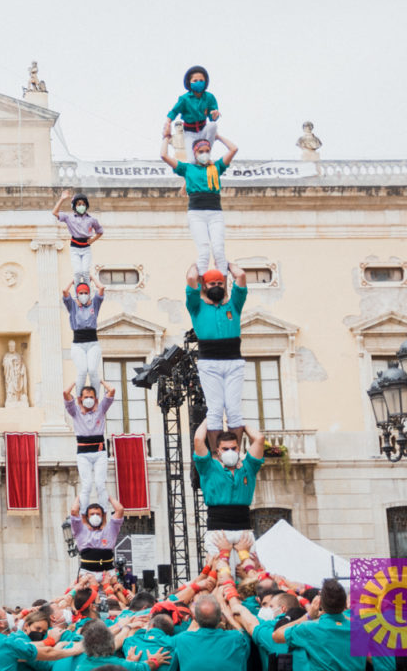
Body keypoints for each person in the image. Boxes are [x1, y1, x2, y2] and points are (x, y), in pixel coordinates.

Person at [160, 130, 238, 277]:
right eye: (201, 151)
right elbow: (164, 155)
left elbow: (234, 149)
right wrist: (166, 138)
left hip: (215, 212)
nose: (204, 153)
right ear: (194, 153)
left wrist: (218, 136)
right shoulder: (188, 168)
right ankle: (203, 291)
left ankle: (223, 290)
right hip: (196, 213)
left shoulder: (216, 167)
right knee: (204, 251)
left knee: (219, 250)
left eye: (207, 151)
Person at [185, 263, 248, 440]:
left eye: (220, 283)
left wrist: (225, 263)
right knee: (215, 409)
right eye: (212, 283)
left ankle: (234, 452)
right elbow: (191, 278)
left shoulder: (233, 305)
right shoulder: (197, 307)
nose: (217, 287)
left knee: (234, 410)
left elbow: (241, 275)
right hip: (209, 362)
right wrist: (200, 263)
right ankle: (215, 455)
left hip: (234, 361)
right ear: (204, 285)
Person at [193, 420, 265, 564]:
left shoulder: (248, 467)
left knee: (247, 577)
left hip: (244, 529)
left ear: (239, 449)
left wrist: (241, 423)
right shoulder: (209, 467)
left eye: (233, 448)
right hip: (218, 531)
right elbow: (198, 439)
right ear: (218, 450)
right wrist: (211, 417)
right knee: (222, 576)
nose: (230, 452)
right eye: (225, 449)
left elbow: (259, 439)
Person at [271, 579, 362, 671]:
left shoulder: (309, 628)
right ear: (344, 603)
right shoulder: (361, 630)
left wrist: (309, 615)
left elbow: (276, 635)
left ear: (319, 603)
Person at [0, 603, 73, 670]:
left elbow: (28, 646)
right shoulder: (9, 643)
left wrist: (48, 642)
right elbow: (46, 660)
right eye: (5, 615)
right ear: (0, 623)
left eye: (43, 631)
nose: (10, 618)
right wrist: (75, 648)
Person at [63, 381, 117, 511]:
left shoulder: (101, 409)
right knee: (86, 485)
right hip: (83, 454)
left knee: (100, 484)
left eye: (91, 397)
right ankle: (83, 513)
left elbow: (112, 390)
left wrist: (101, 382)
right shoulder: (75, 411)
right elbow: (65, 393)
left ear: (96, 399)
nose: (88, 400)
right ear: (80, 398)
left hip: (99, 453)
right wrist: (76, 382)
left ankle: (103, 511)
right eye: (86, 397)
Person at [171, 594, 250, 671]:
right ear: (221, 617)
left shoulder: (181, 639)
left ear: (194, 618)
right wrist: (230, 617)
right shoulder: (236, 638)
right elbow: (245, 634)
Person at [162, 65, 221, 158]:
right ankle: (196, 158)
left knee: (213, 125)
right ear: (189, 83)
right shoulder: (184, 99)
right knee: (192, 160)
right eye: (195, 81)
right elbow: (174, 111)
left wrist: (214, 115)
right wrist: (168, 123)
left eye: (201, 81)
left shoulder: (209, 97)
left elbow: (213, 117)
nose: (198, 83)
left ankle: (206, 151)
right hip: (190, 133)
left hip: (203, 130)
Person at [52, 190, 104, 285]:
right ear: (74, 206)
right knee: (77, 272)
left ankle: (87, 294)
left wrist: (92, 240)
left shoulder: (91, 220)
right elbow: (54, 212)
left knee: (85, 272)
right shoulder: (69, 218)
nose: (81, 206)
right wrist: (62, 199)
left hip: (86, 248)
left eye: (83, 204)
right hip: (75, 248)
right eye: (79, 204)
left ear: (86, 206)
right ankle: (77, 295)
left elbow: (100, 232)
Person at [63, 278, 106, 389]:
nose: (83, 295)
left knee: (92, 370)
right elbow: (64, 291)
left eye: (86, 293)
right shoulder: (73, 305)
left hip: (92, 342)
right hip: (78, 343)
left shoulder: (94, 304)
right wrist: (73, 281)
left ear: (89, 294)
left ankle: (95, 396)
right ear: (77, 295)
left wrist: (91, 278)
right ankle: (79, 397)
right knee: (81, 371)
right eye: (81, 293)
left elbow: (101, 288)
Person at [69, 495, 124, 576]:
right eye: (92, 514)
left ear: (102, 516)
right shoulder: (80, 529)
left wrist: (108, 497)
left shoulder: (111, 529)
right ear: (87, 517)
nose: (95, 516)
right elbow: (74, 511)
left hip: (108, 574)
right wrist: (79, 497)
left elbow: (120, 510)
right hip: (87, 574)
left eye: (98, 514)